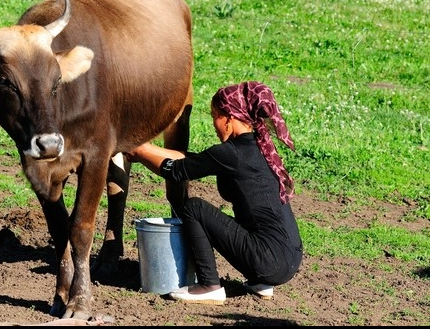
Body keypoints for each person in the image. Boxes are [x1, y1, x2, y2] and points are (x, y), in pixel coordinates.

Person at [125, 81, 303, 305]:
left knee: (195, 208)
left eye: (214, 116)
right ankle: (261, 282)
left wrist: (140, 151)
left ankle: (209, 285)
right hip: (289, 259)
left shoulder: (232, 154)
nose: (213, 124)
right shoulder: (259, 148)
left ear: (229, 119)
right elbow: (190, 161)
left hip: (268, 261)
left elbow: (176, 171)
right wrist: (145, 149)